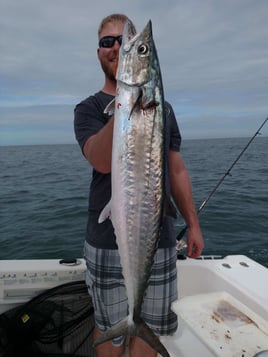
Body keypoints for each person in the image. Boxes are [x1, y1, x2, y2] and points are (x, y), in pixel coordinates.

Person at [74, 13, 204, 357]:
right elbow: (100, 160)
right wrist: (126, 103)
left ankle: (137, 325)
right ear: (98, 51)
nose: (117, 47)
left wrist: (193, 224)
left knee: (147, 339)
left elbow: (175, 169)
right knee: (111, 337)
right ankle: (124, 327)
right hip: (105, 242)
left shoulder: (164, 109)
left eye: (128, 43)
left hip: (157, 241)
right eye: (108, 42)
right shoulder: (87, 109)